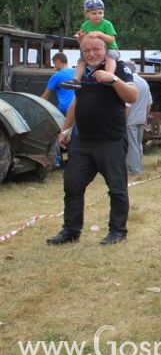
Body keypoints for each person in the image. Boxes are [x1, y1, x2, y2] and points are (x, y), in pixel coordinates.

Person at [46, 35, 139, 246]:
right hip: (83, 141)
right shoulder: (80, 73)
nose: (91, 54)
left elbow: (132, 96)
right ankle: (70, 231)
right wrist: (66, 129)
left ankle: (117, 231)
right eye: (86, 51)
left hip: (111, 141)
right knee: (72, 185)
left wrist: (113, 80)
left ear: (105, 49)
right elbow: (76, 103)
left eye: (96, 49)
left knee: (117, 189)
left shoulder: (119, 68)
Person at [61, 0, 119, 90]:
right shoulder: (85, 25)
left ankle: (109, 75)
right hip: (93, 50)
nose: (98, 16)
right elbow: (83, 42)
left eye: (100, 13)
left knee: (110, 56)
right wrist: (80, 38)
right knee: (81, 60)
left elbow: (111, 40)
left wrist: (100, 34)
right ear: (86, 14)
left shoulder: (107, 24)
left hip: (109, 49)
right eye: (94, 13)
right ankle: (76, 80)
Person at [125, 62, 152, 176]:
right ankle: (139, 166)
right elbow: (149, 102)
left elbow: (127, 104)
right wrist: (145, 115)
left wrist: (123, 119)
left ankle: (134, 170)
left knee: (131, 146)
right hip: (141, 118)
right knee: (138, 144)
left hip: (130, 118)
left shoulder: (130, 83)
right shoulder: (144, 82)